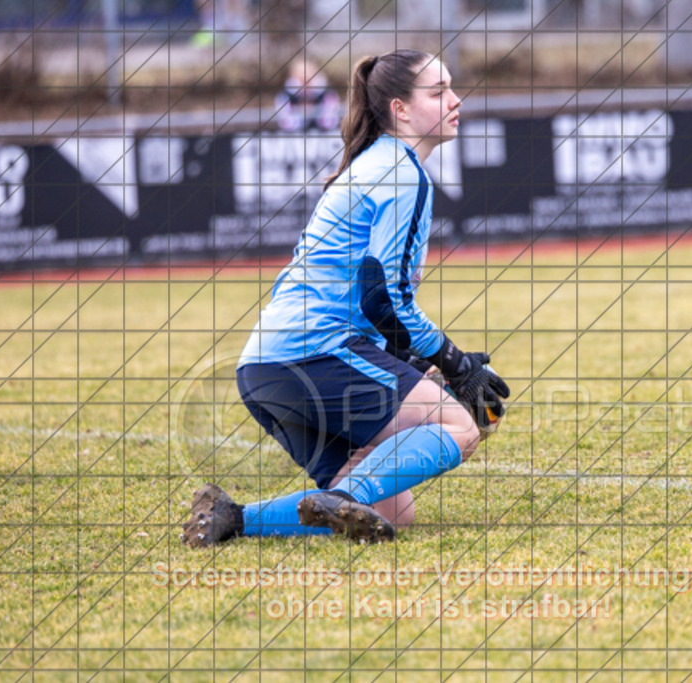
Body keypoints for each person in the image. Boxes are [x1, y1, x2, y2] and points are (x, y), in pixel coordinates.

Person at [181, 50, 510, 546]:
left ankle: (232, 519)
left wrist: (413, 363)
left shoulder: (376, 164)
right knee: (460, 426)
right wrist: (455, 363)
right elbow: (385, 301)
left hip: (264, 369)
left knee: (393, 513)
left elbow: (364, 301)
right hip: (316, 355)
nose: (455, 100)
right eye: (438, 92)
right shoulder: (403, 172)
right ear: (400, 110)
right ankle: (347, 497)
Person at [275, 58, 342, 132]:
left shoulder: (328, 94)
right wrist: (302, 115)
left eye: (308, 72)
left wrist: (314, 112)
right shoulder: (285, 95)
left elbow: (330, 122)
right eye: (300, 74)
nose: (305, 76)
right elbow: (285, 123)